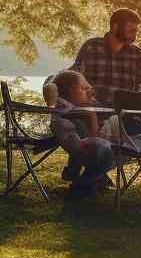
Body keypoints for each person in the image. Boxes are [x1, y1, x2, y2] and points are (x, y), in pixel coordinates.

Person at [69, 7, 141, 105]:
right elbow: (74, 76)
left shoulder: (137, 54)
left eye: (136, 31)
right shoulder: (91, 46)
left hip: (124, 114)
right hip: (94, 110)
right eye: (131, 30)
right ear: (115, 27)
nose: (135, 35)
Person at [50, 69, 117, 201]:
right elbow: (94, 140)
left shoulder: (71, 107)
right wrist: (92, 115)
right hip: (90, 152)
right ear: (71, 90)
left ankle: (89, 182)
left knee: (121, 124)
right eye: (83, 88)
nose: (88, 92)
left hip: (88, 150)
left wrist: (89, 100)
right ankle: (80, 187)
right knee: (112, 149)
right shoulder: (65, 109)